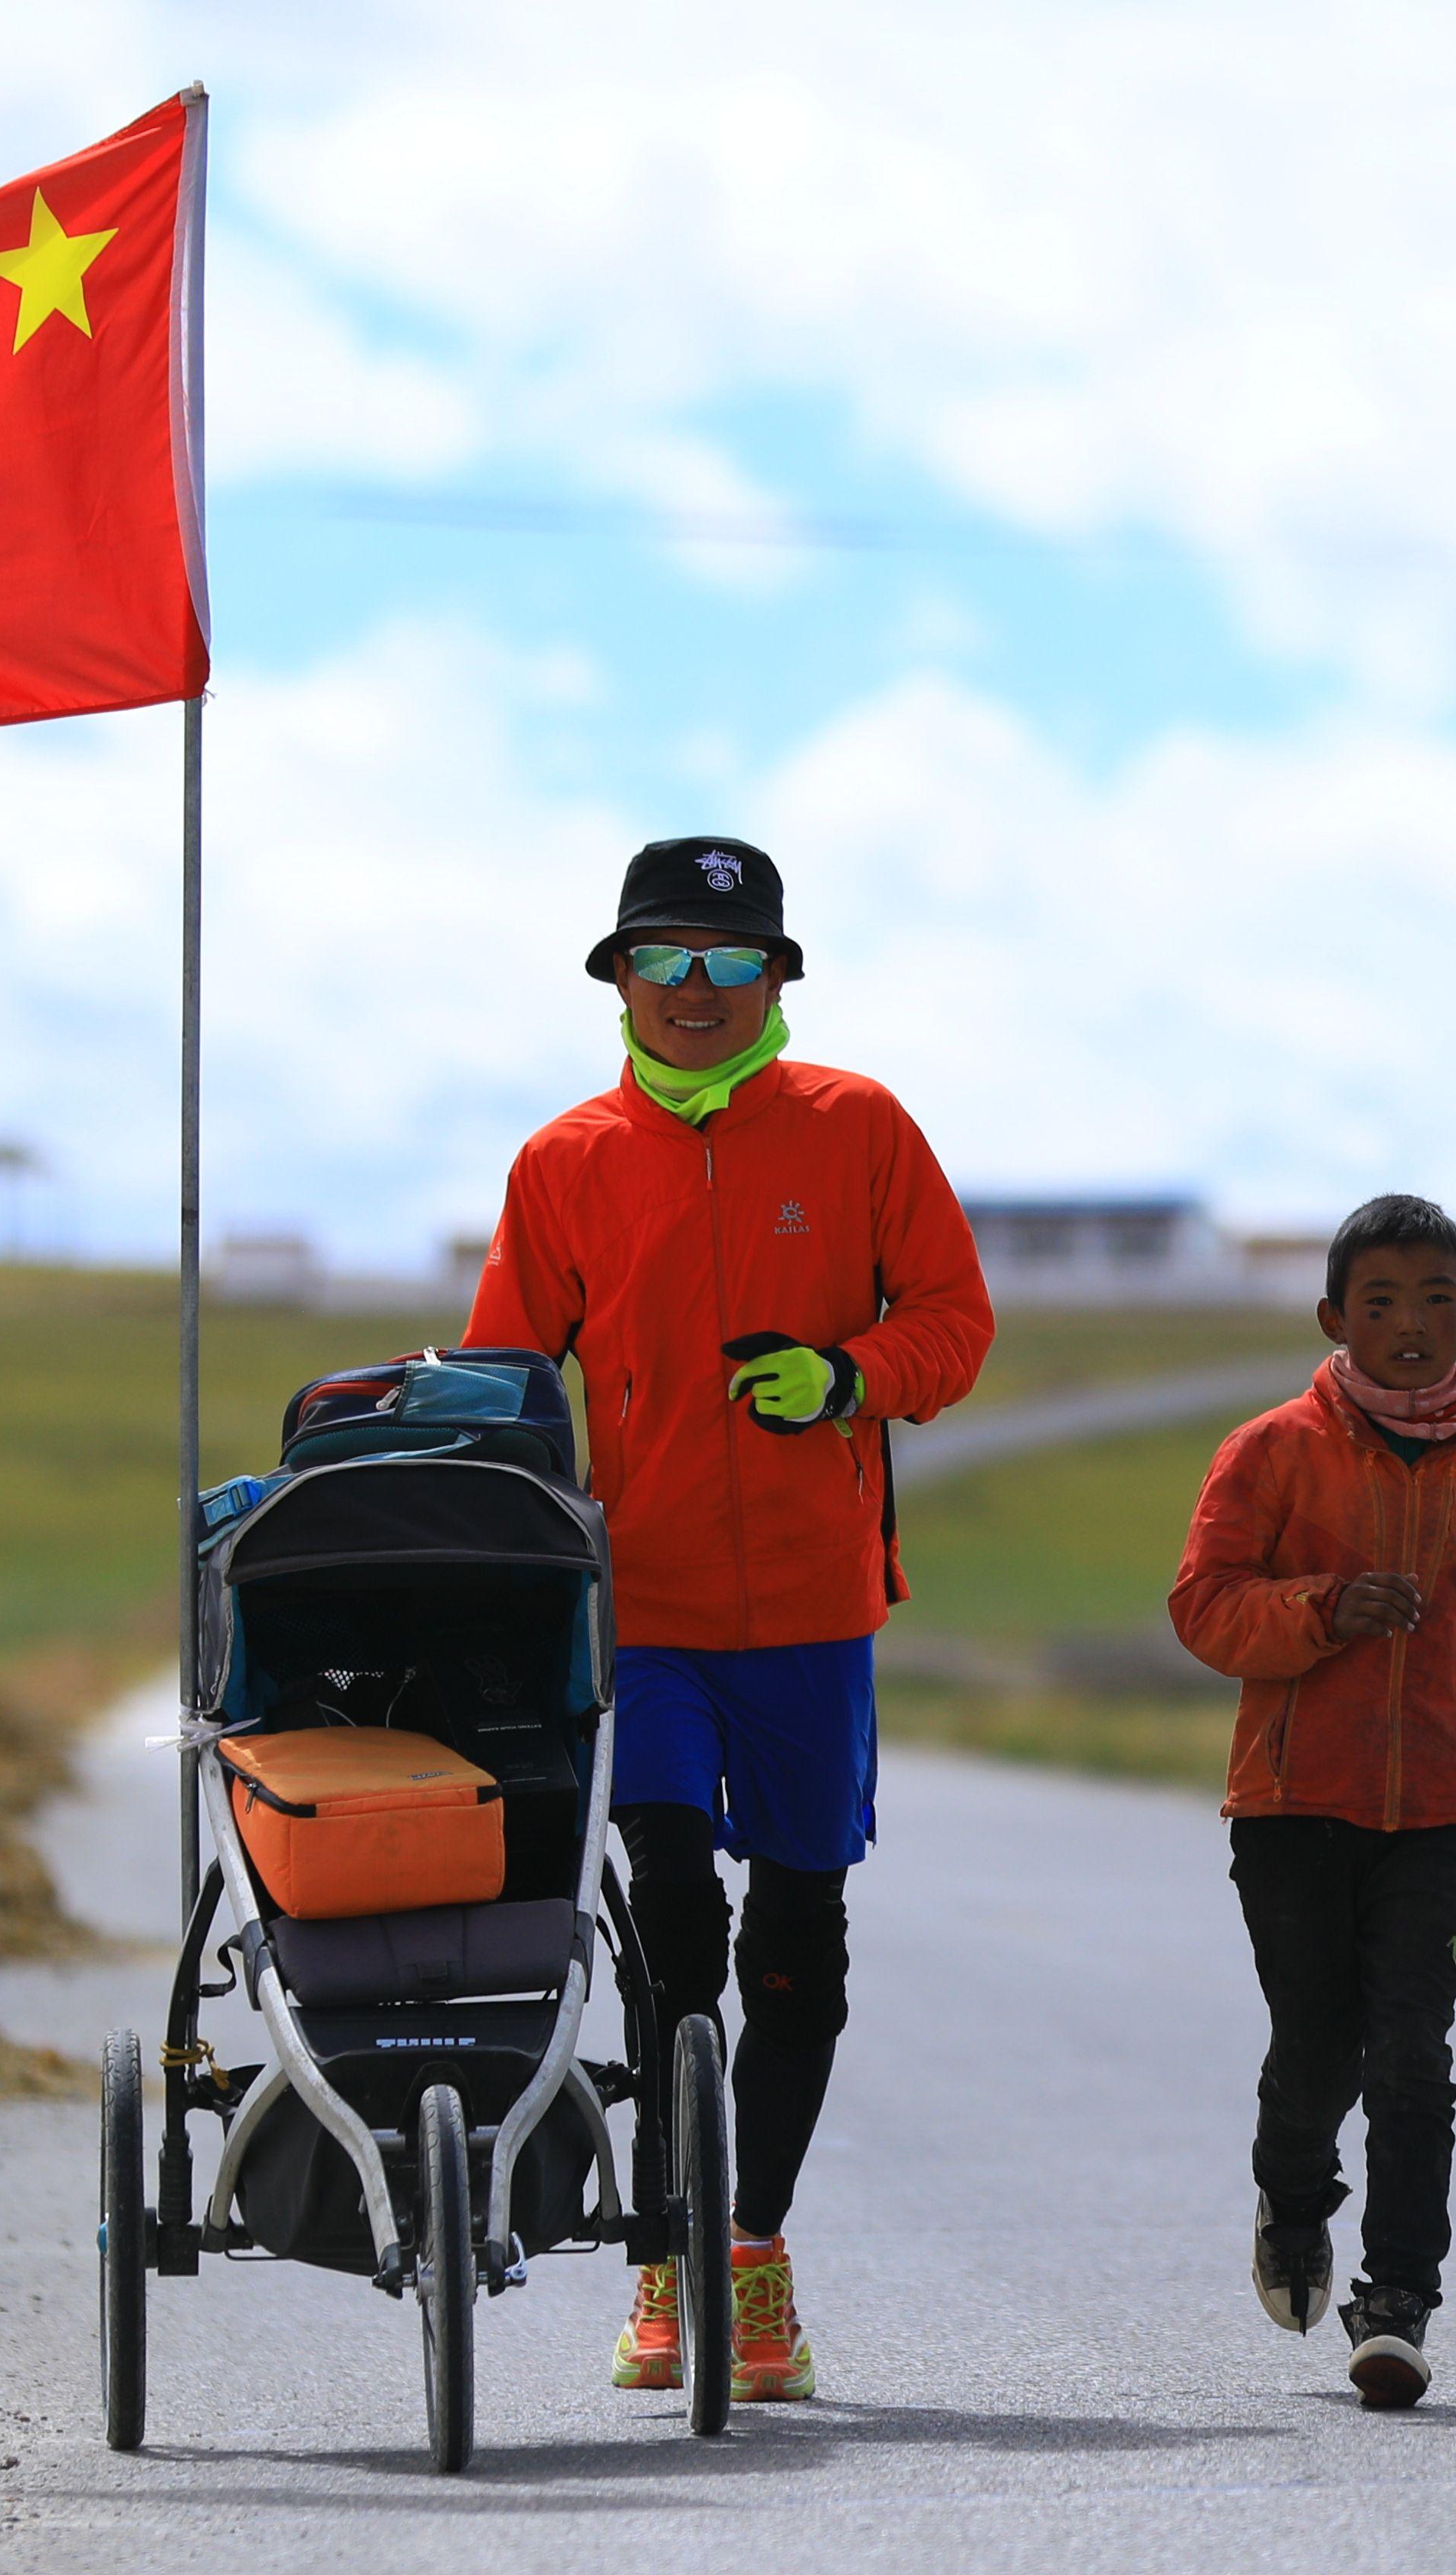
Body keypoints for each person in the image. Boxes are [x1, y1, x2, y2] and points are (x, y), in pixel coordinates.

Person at [464, 833, 993, 2403]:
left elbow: (954, 1325)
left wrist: (853, 1378)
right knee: (674, 1929)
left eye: (732, 962)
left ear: (778, 978)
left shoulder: (861, 1128)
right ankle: (659, 2267)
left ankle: (751, 2254)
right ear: (619, 976)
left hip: (819, 1612)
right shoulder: (565, 1161)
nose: (698, 993)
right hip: (649, 1616)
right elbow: (507, 1378)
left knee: (800, 1952)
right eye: (667, 961)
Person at [1166, 1192, 1456, 2409]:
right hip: (1297, 1804)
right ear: (1332, 1318)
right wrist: (1321, 1611)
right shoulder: (1269, 1452)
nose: (1411, 1324)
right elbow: (1204, 1606)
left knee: (1413, 2051)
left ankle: (1398, 2299)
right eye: (1381, 1303)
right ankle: (1294, 2199)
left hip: (1445, 1813)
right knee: (1318, 2052)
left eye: (1435, 1300)